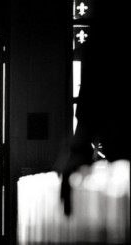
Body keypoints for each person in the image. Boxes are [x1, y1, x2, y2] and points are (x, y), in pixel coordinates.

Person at [59, 1, 131, 216]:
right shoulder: (104, 34)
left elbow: (95, 85)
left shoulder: (106, 34)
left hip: (119, 133)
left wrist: (78, 148)